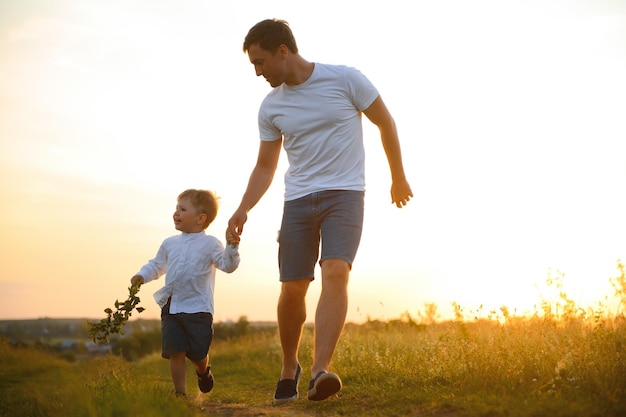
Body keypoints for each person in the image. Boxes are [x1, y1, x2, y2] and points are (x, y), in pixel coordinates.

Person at [227, 19, 413, 403]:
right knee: (293, 287)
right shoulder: (270, 107)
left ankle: (319, 371)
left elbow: (385, 122)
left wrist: (398, 176)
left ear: (283, 50)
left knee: (335, 270)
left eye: (260, 62)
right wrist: (243, 208)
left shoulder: (345, 79)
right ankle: (289, 365)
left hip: (345, 195)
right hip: (297, 200)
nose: (258, 73)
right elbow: (265, 166)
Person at [131, 189, 240, 397]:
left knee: (198, 352)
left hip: (198, 309)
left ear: (201, 218)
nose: (176, 213)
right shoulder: (169, 243)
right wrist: (142, 276)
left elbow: (228, 265)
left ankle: (203, 369)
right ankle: (180, 394)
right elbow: (156, 265)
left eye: (182, 209)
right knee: (176, 352)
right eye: (176, 209)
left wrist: (232, 248)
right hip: (171, 306)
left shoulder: (211, 244)